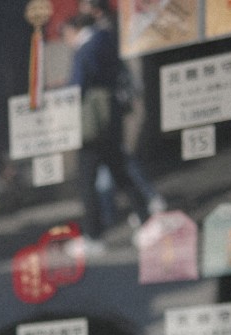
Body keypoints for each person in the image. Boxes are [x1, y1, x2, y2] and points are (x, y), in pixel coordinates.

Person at [68, 0, 161, 242]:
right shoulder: (107, 38)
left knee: (90, 178)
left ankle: (94, 232)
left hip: (94, 121)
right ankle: (143, 216)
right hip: (108, 117)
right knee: (118, 169)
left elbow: (78, 83)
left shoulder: (90, 45)